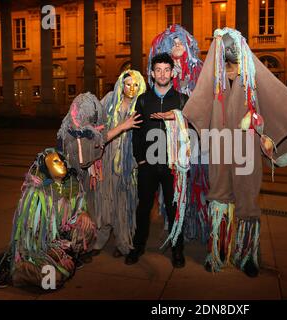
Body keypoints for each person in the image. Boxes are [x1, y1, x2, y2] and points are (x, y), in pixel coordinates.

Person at [152, 28, 287, 278]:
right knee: (219, 198)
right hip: (219, 148)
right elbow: (193, 109)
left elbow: (279, 98)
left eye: (233, 47)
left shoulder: (252, 78)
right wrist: (175, 115)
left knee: (247, 200)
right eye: (225, 47)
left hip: (247, 149)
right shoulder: (212, 81)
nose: (229, 52)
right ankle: (218, 253)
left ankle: (246, 255)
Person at [0, 148, 95, 289]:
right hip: (37, 247)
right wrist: (58, 256)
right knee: (53, 281)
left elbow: (78, 207)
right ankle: (11, 269)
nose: (62, 164)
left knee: (87, 227)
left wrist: (83, 213)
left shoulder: (71, 185)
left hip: (59, 238)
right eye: (56, 161)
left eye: (62, 161)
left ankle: (69, 256)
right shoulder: (37, 195)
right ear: (45, 167)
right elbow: (34, 240)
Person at [125, 52, 189, 268]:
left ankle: (177, 250)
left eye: (166, 70)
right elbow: (136, 131)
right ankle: (138, 246)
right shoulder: (143, 100)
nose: (162, 74)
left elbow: (194, 128)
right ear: (152, 74)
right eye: (158, 70)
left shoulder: (181, 100)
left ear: (173, 73)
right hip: (148, 165)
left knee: (174, 210)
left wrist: (177, 116)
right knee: (143, 208)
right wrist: (140, 159)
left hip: (173, 166)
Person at [148, 24, 209, 243]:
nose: (177, 45)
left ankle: (196, 222)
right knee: (171, 182)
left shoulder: (200, 70)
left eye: (180, 41)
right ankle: (174, 222)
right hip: (166, 140)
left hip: (196, 138)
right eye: (172, 42)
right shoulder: (162, 72)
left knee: (197, 180)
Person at [90, 69, 145, 258]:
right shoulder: (109, 100)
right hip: (106, 159)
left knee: (124, 202)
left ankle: (123, 241)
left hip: (129, 164)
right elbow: (96, 129)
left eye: (135, 84)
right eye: (127, 84)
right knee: (104, 200)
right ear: (121, 84)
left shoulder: (142, 105)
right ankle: (100, 238)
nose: (131, 88)